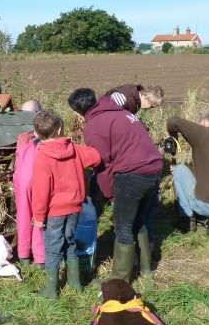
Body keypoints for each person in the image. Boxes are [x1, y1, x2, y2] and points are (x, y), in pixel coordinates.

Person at [68, 88, 163, 282]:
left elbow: (101, 164)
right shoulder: (122, 112)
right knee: (139, 221)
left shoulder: (94, 126)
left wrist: (111, 194)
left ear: (78, 111)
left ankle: (119, 280)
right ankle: (145, 271)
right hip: (153, 170)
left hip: (132, 175)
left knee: (123, 227)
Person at [31, 110, 101, 298]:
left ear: (37, 135)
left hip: (53, 211)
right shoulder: (74, 149)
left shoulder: (42, 157)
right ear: (60, 129)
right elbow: (95, 156)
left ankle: (51, 290)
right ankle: (75, 282)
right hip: (75, 207)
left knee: (53, 246)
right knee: (69, 240)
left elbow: (40, 191)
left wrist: (38, 217)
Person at [166, 112, 209, 236]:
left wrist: (174, 137)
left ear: (203, 122)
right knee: (202, 187)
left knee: (179, 169)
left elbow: (173, 121)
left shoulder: (204, 133)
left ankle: (187, 220)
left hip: (208, 204)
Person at [13, 99, 44, 269]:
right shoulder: (47, 132)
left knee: (24, 215)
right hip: (39, 179)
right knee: (39, 216)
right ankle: (39, 259)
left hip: (23, 179)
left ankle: (24, 255)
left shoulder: (21, 137)